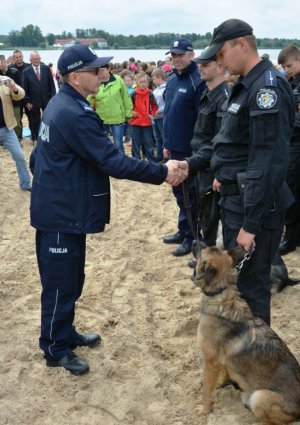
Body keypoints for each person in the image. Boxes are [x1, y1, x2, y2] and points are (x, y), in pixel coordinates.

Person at [29, 44, 187, 375]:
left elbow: (38, 157)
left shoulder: (63, 104)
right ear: (75, 77)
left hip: (63, 208)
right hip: (60, 213)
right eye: (94, 70)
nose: (102, 74)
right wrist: (162, 172)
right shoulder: (72, 112)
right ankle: (54, 347)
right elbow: (112, 160)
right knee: (60, 283)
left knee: (72, 278)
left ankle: (65, 332)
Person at [201, 18, 295, 325]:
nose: (219, 60)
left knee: (252, 289)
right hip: (238, 201)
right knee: (240, 285)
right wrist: (221, 174)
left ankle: (257, 367)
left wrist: (251, 224)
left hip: (254, 209)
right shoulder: (247, 84)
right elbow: (239, 144)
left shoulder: (266, 88)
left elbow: (268, 161)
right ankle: (243, 361)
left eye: (221, 53)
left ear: (242, 44)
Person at [163, 38, 206, 256]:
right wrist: (166, 144)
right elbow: (169, 114)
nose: (176, 58)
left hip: (190, 152)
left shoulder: (197, 80)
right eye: (173, 55)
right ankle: (184, 229)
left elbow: (202, 120)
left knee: (190, 197)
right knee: (179, 194)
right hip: (173, 147)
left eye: (180, 54)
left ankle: (192, 237)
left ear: (191, 54)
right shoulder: (171, 81)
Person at [183, 50, 229, 254]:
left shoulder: (224, 98)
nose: (199, 67)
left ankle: (211, 259)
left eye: (205, 64)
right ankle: (207, 255)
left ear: (220, 67)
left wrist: (219, 173)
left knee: (212, 218)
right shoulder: (207, 93)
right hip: (202, 163)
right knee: (204, 213)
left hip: (212, 167)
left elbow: (222, 141)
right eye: (199, 64)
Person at [277, 45, 300, 255]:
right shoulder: (291, 83)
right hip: (290, 142)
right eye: (284, 67)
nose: (287, 70)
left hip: (296, 142)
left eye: (289, 65)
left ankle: (290, 237)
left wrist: (285, 123)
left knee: (291, 188)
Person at [87, 64, 133, 154]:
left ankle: (122, 165)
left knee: (118, 145)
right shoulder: (95, 81)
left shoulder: (118, 80)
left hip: (117, 117)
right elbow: (89, 103)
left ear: (108, 69)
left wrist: (128, 114)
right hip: (101, 119)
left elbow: (126, 97)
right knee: (102, 145)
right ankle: (105, 166)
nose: (100, 72)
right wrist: (91, 97)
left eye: (102, 70)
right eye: (98, 70)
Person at [0, 75, 32, 191]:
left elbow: (20, 94)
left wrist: (13, 86)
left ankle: (25, 184)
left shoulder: (4, 80)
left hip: (7, 129)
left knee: (19, 156)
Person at [22, 51, 56, 143]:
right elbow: (24, 88)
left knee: (49, 119)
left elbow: (51, 85)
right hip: (33, 101)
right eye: (35, 59)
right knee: (35, 121)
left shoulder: (46, 69)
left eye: (38, 58)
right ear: (30, 60)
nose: (37, 60)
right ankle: (36, 138)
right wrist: (27, 101)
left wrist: (53, 98)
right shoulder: (26, 72)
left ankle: (49, 137)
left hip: (47, 99)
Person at [130, 71, 158, 161]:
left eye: (145, 82)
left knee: (149, 143)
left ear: (148, 82)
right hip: (135, 122)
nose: (143, 84)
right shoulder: (133, 94)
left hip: (147, 123)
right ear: (136, 82)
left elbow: (155, 106)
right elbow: (128, 107)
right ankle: (136, 162)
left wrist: (152, 114)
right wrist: (131, 112)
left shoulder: (150, 93)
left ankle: (151, 162)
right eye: (141, 82)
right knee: (136, 144)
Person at [0, 54, 22, 142]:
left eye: (1, 63)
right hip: (4, 102)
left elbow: (20, 86)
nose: (0, 65)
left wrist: (13, 87)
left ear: (5, 62)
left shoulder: (14, 72)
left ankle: (18, 138)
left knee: (17, 121)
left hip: (15, 101)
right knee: (5, 121)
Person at [151, 68, 167, 162]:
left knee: (163, 137)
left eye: (154, 79)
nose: (153, 81)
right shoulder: (156, 89)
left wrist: (160, 111)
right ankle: (159, 155)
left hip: (162, 116)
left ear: (159, 77)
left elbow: (168, 104)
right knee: (157, 138)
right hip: (155, 117)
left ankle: (166, 157)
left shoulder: (166, 89)